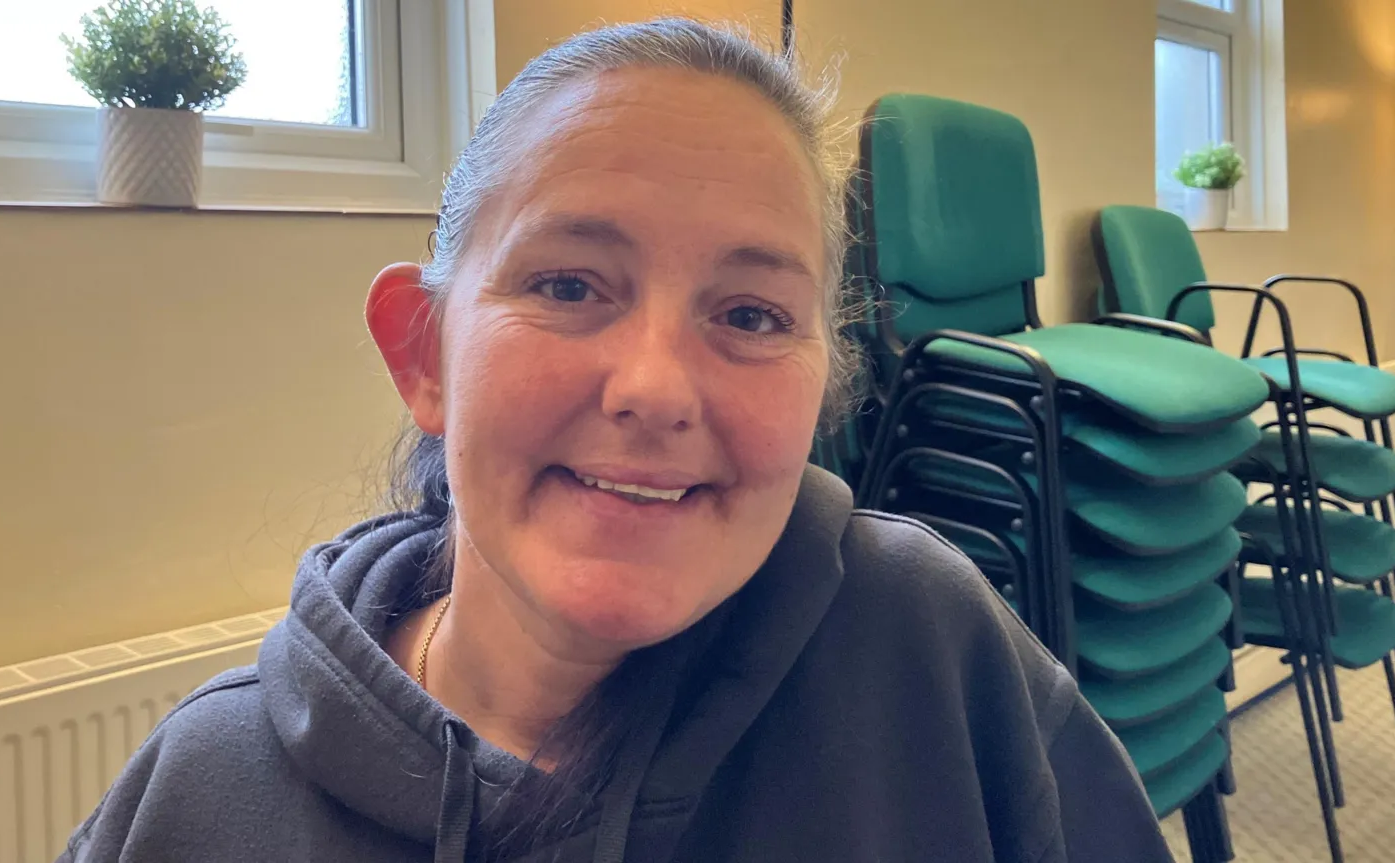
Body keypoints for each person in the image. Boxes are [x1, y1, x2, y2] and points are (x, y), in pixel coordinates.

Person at [60, 18, 1175, 863]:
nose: (654, 388)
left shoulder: (930, 652)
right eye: (569, 284)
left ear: (827, 380)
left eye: (750, 314)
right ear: (423, 352)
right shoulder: (202, 795)